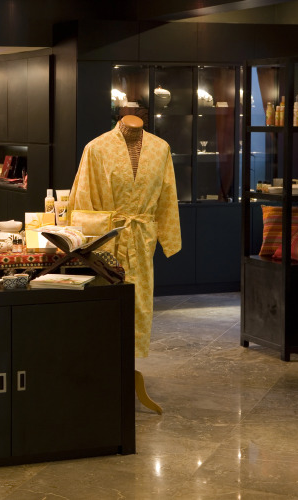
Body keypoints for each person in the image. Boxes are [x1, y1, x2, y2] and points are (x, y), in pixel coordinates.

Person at [68, 115, 181, 359]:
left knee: (140, 301)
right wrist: (83, 243)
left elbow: (168, 195)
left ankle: (132, 362)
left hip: (142, 236)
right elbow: (83, 198)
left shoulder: (161, 148)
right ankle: (106, 361)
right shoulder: (96, 148)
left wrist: (168, 237)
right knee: (107, 301)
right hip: (106, 239)